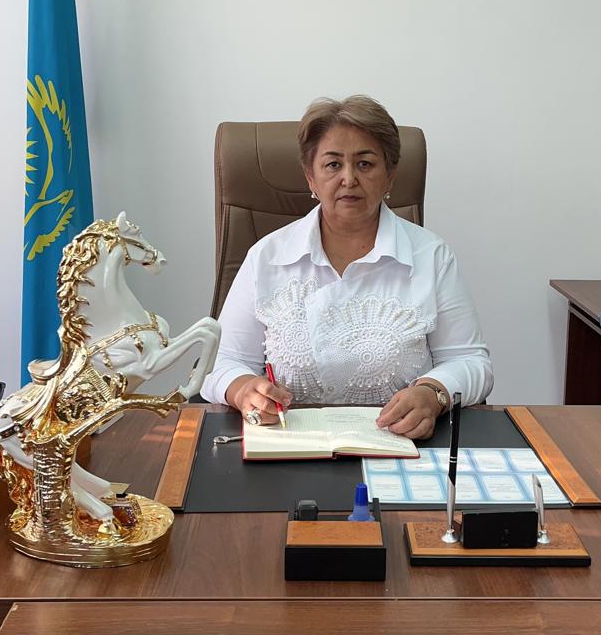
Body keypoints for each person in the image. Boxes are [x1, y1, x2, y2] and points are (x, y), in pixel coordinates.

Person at [202, 96, 493, 439]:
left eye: (365, 164)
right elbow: (218, 364)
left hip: (399, 445)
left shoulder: (432, 256)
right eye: (332, 164)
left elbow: (471, 362)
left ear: (390, 177)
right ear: (310, 178)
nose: (349, 178)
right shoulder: (266, 257)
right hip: (289, 445)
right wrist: (242, 389)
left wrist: (433, 393)